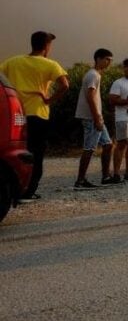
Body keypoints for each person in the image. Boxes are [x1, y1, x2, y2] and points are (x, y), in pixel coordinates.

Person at [0, 31, 70, 201]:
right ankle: (28, 191)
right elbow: (65, 85)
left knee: (17, 151)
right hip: (38, 114)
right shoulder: (50, 65)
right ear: (47, 46)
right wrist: (49, 99)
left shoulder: (12, 62)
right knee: (36, 154)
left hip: (16, 114)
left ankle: (13, 187)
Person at [73, 48, 116, 188]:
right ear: (98, 59)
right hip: (91, 117)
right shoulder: (93, 75)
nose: (109, 62)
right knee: (89, 148)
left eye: (110, 60)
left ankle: (106, 177)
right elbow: (90, 96)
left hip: (96, 117)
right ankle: (80, 181)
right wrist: (97, 117)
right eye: (107, 59)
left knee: (108, 144)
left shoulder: (96, 74)